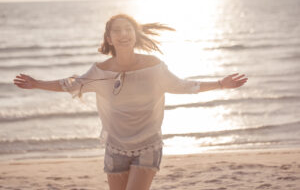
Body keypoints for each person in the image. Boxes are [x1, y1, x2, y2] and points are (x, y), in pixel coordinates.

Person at [13, 14, 248, 190]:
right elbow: (70, 85)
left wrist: (219, 83)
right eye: (118, 31)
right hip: (115, 147)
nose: (124, 34)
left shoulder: (153, 66)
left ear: (135, 35)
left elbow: (183, 86)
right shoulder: (99, 71)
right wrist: (36, 83)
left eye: (128, 29)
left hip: (148, 145)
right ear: (109, 38)